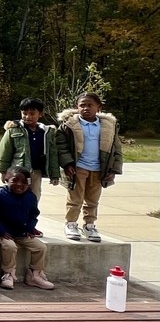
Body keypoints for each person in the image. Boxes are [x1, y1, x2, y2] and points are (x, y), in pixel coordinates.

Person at [56, 92, 123, 243]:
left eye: (90, 105)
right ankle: (71, 223)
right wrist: (67, 163)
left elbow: (116, 148)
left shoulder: (108, 126)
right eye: (82, 105)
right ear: (76, 107)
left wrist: (113, 170)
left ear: (99, 107)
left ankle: (89, 225)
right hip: (78, 167)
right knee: (75, 198)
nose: (86, 108)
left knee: (92, 200)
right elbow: (61, 146)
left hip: (99, 169)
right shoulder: (69, 125)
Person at [0, 166, 54, 290]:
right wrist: (0, 231)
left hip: (21, 232)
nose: (19, 185)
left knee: (40, 247)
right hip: (3, 232)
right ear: (6, 179)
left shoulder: (30, 197)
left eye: (24, 182)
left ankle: (34, 274)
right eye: (15, 180)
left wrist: (30, 228)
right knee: (10, 246)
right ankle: (8, 274)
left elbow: (33, 214)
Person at [0, 97, 60, 201]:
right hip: (17, 171)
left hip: (36, 171)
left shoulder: (47, 132)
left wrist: (55, 175)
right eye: (24, 113)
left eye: (32, 114)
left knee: (34, 195)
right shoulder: (13, 130)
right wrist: (3, 172)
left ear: (41, 114)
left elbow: (52, 154)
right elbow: (4, 151)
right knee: (15, 194)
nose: (28, 117)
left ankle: (31, 216)